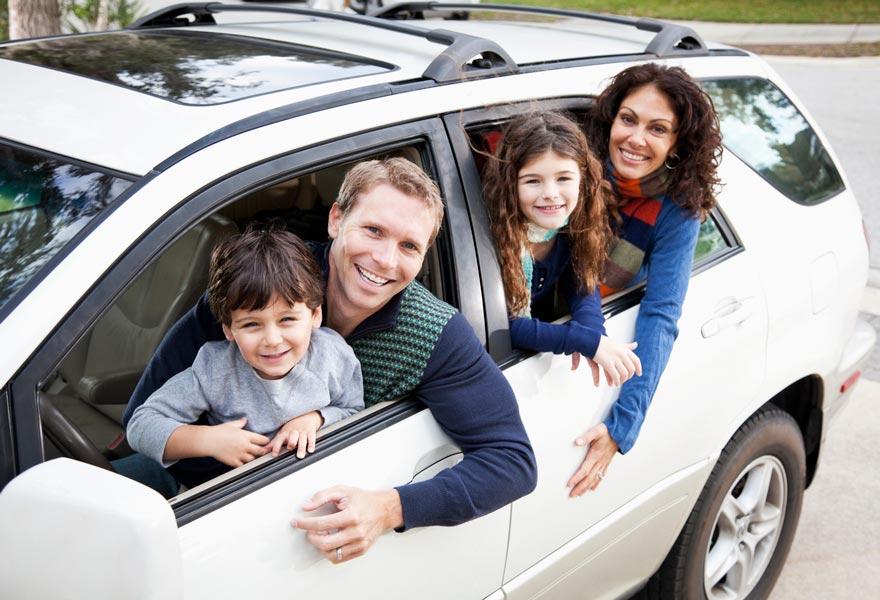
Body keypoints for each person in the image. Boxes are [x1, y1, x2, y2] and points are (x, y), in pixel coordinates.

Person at [121, 157, 537, 563]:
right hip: (202, 506)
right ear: (336, 219)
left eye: (409, 245)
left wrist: (389, 509)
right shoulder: (256, 284)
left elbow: (511, 461)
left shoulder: (436, 336)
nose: (386, 260)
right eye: (373, 230)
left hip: (306, 537)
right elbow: (146, 416)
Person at [566, 63, 722, 496]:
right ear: (612, 119)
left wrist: (623, 424)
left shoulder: (677, 208)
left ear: (676, 143)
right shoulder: (570, 168)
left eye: (657, 128)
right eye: (628, 119)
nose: (636, 139)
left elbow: (661, 311)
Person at [124, 228, 363, 490]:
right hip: (222, 492)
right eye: (251, 324)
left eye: (287, 319)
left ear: (315, 315)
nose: (272, 339)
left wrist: (316, 418)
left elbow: (353, 410)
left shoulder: (334, 357)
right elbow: (141, 425)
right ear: (229, 329)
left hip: (302, 485)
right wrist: (209, 441)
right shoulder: (215, 370)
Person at [482, 111, 642, 391]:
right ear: (510, 184)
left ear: (582, 180)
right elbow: (507, 327)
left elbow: (582, 279)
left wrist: (593, 330)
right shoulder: (494, 239)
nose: (550, 193)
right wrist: (584, 341)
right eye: (533, 181)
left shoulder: (571, 227)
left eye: (563, 178)